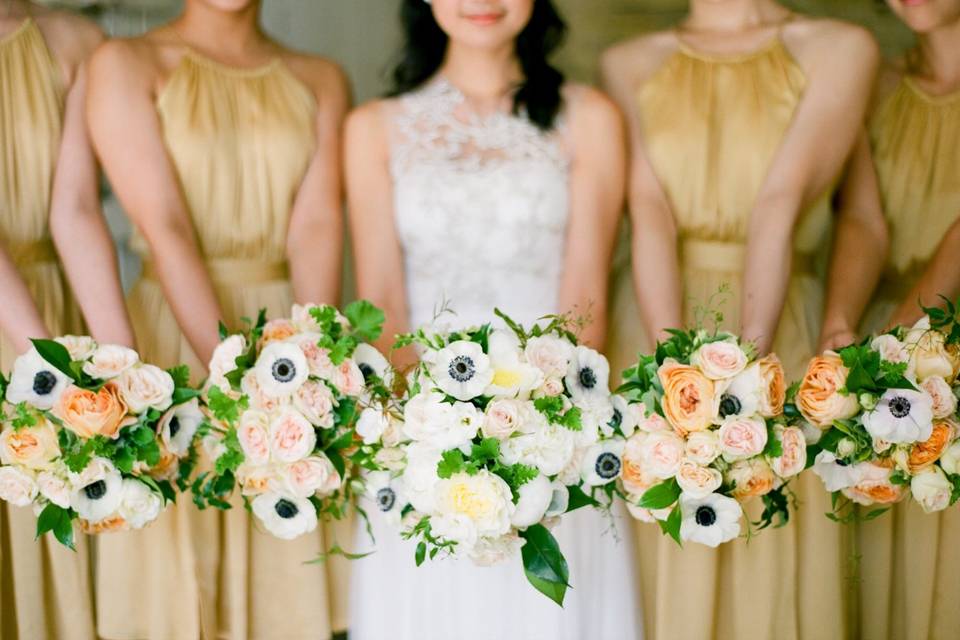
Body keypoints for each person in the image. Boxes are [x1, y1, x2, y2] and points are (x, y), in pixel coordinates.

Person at [345, 1, 638, 638]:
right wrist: (434, 431)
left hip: (555, 421)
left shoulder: (590, 119)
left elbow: (586, 303)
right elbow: (383, 304)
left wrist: (532, 429)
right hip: (418, 425)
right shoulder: (373, 128)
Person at [602, 0, 878, 637]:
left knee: (766, 526)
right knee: (659, 524)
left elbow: (779, 204)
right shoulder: (627, 61)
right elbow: (648, 211)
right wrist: (671, 374)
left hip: (778, 314)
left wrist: (744, 383)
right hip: (650, 314)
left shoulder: (841, 47)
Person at [86, 0, 349, 637]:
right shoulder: (125, 62)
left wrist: (311, 368)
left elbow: (316, 228)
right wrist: (244, 387)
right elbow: (165, 227)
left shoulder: (320, 77)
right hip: (175, 337)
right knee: (177, 569)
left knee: (285, 543)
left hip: (289, 333)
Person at [819, 1, 960, 637]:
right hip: (890, 326)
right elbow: (863, 221)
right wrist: (841, 327)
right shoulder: (874, 85)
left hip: (936, 330)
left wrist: (900, 343)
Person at [0, 1, 132, 638]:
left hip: (52, 306)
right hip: (32, 331)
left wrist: (120, 369)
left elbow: (75, 212)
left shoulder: (76, 40)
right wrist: (47, 367)